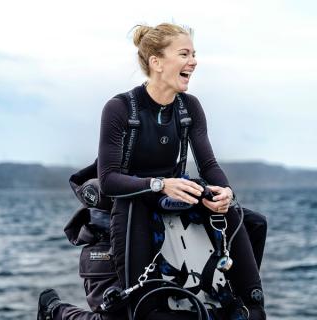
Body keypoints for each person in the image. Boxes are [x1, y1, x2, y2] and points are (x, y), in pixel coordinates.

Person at [37, 23, 267, 320]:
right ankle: (55, 311)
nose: (194, 61)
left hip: (172, 201)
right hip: (131, 208)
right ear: (156, 62)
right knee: (140, 315)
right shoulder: (120, 108)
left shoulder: (189, 107)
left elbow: (209, 166)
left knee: (254, 223)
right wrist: (161, 185)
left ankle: (243, 301)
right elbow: (108, 180)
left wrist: (225, 192)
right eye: (184, 54)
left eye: (194, 54)